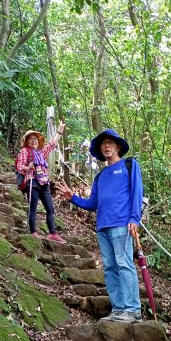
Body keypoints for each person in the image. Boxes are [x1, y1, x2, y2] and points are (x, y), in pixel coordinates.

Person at [56, 129, 143, 323]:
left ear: (118, 146)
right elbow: (93, 204)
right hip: (103, 226)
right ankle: (119, 309)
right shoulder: (100, 176)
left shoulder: (129, 165)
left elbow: (137, 192)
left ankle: (133, 310)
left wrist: (134, 219)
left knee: (124, 263)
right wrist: (73, 198)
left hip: (122, 223)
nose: (106, 146)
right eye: (103, 143)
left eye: (110, 142)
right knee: (110, 267)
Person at [15, 122, 67, 243]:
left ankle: (52, 233)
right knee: (33, 207)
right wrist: (28, 167)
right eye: (31, 139)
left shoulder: (41, 152)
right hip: (32, 179)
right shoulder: (25, 151)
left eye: (36, 139)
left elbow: (52, 144)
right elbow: (19, 166)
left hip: (44, 181)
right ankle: (33, 232)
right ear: (27, 141)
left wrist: (59, 131)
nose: (34, 141)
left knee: (50, 208)